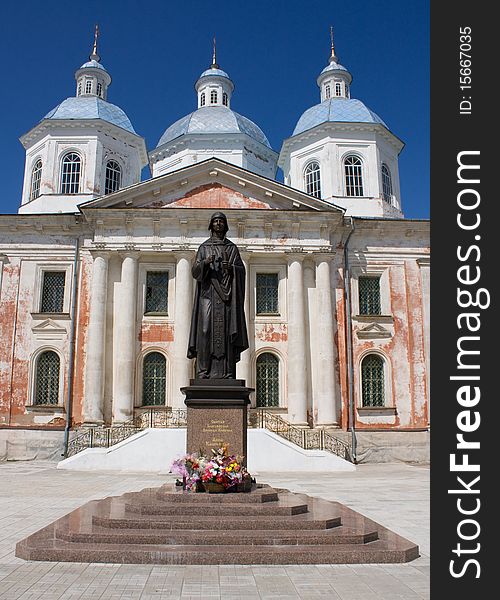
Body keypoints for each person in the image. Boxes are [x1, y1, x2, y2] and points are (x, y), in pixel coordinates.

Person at [187, 212, 248, 379]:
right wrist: (205, 263)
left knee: (228, 331)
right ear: (211, 225)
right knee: (205, 330)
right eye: (215, 221)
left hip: (227, 297)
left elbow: (241, 271)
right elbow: (195, 272)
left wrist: (232, 269)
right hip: (207, 295)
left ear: (225, 225)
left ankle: (228, 372)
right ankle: (203, 371)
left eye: (221, 221)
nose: (218, 224)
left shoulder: (231, 248)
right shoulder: (204, 248)